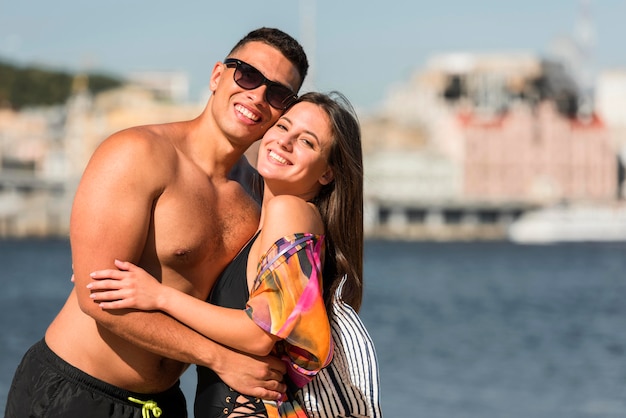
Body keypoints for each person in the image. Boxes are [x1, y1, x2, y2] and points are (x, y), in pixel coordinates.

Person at [5, 27, 308, 418]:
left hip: (164, 403)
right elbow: (97, 299)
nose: (258, 96)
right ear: (218, 76)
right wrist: (219, 359)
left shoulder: (259, 195)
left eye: (279, 93)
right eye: (247, 75)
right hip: (76, 391)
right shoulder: (138, 154)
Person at [86, 91, 364, 418]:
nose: (284, 142)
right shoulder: (267, 218)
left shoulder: (291, 212)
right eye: (283, 127)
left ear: (327, 173)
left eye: (306, 142)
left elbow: (259, 333)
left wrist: (159, 296)